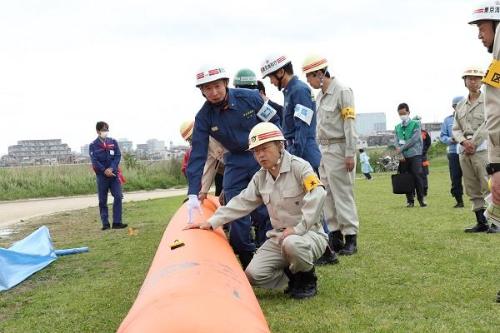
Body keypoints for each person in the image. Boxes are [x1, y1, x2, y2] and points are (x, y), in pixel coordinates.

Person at [185, 123, 328, 299]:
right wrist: (211, 221)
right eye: (255, 151)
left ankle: (307, 278)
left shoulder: (300, 167)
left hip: (309, 234)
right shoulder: (261, 177)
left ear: (280, 145)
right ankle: (292, 277)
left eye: (265, 148)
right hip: (279, 237)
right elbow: (242, 202)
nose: (260, 155)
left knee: (292, 244)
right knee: (253, 274)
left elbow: (318, 194)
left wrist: (298, 229)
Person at [186, 65, 279, 269]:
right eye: (207, 89)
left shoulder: (251, 97)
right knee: (234, 208)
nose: (214, 93)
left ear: (226, 83)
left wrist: (278, 154)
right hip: (234, 160)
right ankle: (246, 256)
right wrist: (193, 193)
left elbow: (275, 121)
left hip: (260, 156)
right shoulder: (203, 117)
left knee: (265, 208)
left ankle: (268, 255)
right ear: (201, 91)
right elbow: (198, 154)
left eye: (217, 86)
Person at [261, 54, 338, 263]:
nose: (271, 82)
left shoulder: (299, 91)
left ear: (280, 72)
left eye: (271, 77)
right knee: (305, 204)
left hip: (303, 156)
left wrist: (293, 159)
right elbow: (287, 117)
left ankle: (325, 249)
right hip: (298, 152)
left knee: (311, 202)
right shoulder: (290, 91)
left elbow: (302, 127)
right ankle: (326, 250)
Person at [302, 55, 360, 256]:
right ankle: (335, 235)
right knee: (327, 195)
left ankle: (351, 236)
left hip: (339, 148)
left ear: (319, 74)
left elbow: (349, 123)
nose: (308, 81)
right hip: (324, 150)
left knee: (342, 194)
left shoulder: (342, 91)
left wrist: (350, 153)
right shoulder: (320, 96)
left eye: (309, 77)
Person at [452, 67, 493, 232]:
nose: (473, 81)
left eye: (476, 78)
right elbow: (455, 128)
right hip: (464, 150)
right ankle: (481, 222)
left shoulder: (489, 101)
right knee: (471, 187)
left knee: (487, 184)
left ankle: (496, 222)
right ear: (465, 81)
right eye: (469, 78)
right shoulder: (460, 105)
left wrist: (473, 142)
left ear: (482, 81)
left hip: (482, 149)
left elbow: (488, 124)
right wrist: (463, 142)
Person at [89, 121, 127, 230]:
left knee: (118, 196)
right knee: (102, 200)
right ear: (97, 131)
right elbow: (94, 160)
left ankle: (117, 222)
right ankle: (105, 223)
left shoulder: (113, 142)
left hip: (113, 175)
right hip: (102, 176)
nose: (105, 132)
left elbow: (117, 156)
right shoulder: (93, 145)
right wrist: (104, 170)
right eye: (103, 130)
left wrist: (112, 168)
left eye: (106, 130)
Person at [180, 120, 225, 197]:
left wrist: (227, 187)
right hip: (225, 171)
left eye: (190, 139)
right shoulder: (205, 146)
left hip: (242, 166)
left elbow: (232, 160)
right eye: (189, 141)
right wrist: (203, 191)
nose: (191, 143)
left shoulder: (215, 136)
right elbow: (210, 166)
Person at [394, 103, 427, 208]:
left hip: (415, 154)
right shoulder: (397, 127)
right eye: (400, 114)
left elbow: (414, 139)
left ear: (408, 112)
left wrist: (401, 149)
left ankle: (421, 199)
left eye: (404, 113)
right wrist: (399, 152)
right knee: (406, 178)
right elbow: (396, 141)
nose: (402, 115)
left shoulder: (416, 124)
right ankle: (410, 200)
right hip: (403, 157)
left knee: (417, 175)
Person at [440, 96, 465, 208]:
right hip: (454, 152)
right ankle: (459, 200)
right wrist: (450, 140)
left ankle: (479, 200)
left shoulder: (469, 117)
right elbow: (442, 136)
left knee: (473, 177)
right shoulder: (447, 120)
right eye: (457, 105)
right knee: (455, 178)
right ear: (453, 106)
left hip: (468, 151)